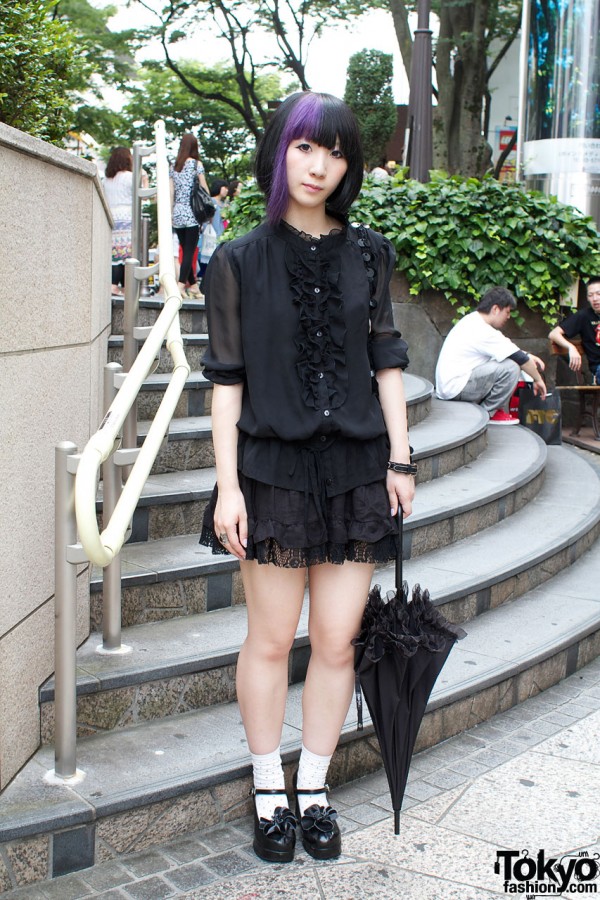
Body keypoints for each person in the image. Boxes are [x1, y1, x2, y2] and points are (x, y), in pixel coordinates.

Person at [199, 91, 415, 863]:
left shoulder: (369, 252)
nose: (319, 165)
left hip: (358, 470)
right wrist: (228, 486)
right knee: (268, 641)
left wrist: (400, 456)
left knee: (334, 641)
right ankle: (268, 790)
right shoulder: (237, 259)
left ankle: (314, 787)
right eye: (303, 147)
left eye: (335, 152)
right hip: (273, 473)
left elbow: (386, 359)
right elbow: (226, 381)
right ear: (279, 152)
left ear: (349, 165)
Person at [435, 286, 547, 424]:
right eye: (507, 311)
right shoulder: (482, 330)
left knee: (507, 361)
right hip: (455, 388)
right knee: (511, 367)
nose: (509, 316)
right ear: (495, 309)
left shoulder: (472, 321)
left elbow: (511, 351)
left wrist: (528, 355)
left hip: (450, 386)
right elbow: (520, 359)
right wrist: (538, 380)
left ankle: (488, 411)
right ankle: (489, 413)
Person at [170, 133, 210, 298]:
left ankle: (193, 286)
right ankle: (180, 286)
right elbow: (204, 188)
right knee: (189, 251)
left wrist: (171, 213)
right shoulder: (196, 164)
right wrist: (208, 207)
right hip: (192, 213)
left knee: (185, 249)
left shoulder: (174, 166)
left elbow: (171, 192)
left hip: (178, 213)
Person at [548, 277, 600, 384]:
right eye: (590, 295)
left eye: (598, 294)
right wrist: (571, 347)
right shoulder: (584, 316)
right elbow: (553, 334)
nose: (595, 298)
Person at [102, 147, 134, 295]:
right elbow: (143, 196)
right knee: (127, 253)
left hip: (111, 217)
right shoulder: (129, 177)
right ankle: (124, 286)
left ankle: (113, 284)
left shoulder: (106, 180)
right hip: (127, 217)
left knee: (115, 253)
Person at [197, 181, 227, 280]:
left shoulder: (223, 204)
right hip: (211, 234)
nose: (226, 190)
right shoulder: (212, 201)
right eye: (224, 188)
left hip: (219, 233)